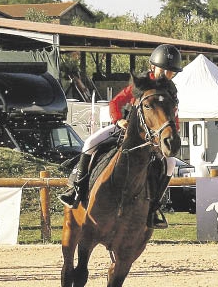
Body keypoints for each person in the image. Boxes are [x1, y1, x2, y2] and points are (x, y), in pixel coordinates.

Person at [59, 44, 182, 229]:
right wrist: (118, 121)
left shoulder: (171, 91)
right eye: (163, 69)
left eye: (171, 72)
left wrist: (169, 134)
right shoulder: (140, 83)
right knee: (89, 143)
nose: (166, 74)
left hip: (151, 137)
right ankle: (76, 189)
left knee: (171, 162)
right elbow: (115, 102)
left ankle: (155, 206)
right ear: (152, 67)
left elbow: (173, 115)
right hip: (125, 128)